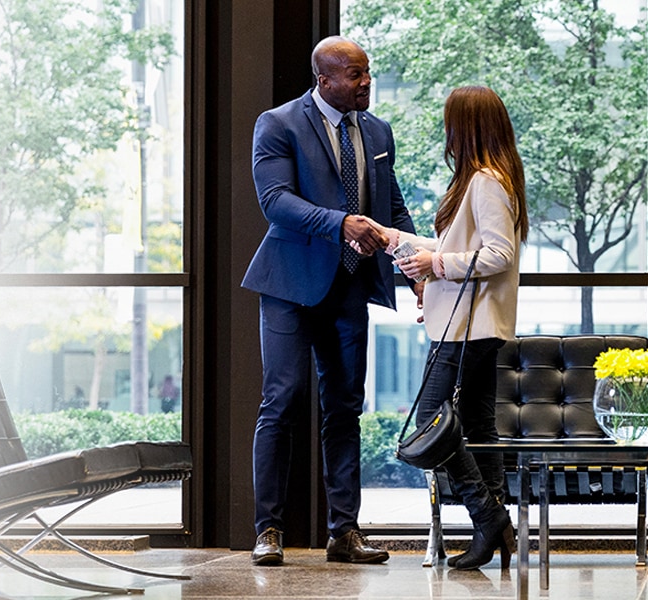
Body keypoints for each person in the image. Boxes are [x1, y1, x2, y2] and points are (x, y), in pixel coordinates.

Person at [243, 36, 421, 566]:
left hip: (349, 287)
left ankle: (344, 533)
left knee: (344, 408)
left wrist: (414, 265)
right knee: (283, 400)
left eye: (367, 72)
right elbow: (275, 202)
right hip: (290, 287)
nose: (366, 82)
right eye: (355, 74)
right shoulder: (277, 123)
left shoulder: (377, 130)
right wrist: (340, 223)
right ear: (325, 79)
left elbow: (391, 205)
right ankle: (268, 529)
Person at [364, 85, 529, 570]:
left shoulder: (486, 181)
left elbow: (499, 255)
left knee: (430, 421)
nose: (446, 132)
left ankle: (488, 516)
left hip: (467, 328)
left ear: (466, 127)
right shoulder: (487, 178)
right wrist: (397, 240)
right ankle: (496, 530)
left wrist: (437, 264)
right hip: (474, 324)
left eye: (450, 123)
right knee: (478, 426)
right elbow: (457, 245)